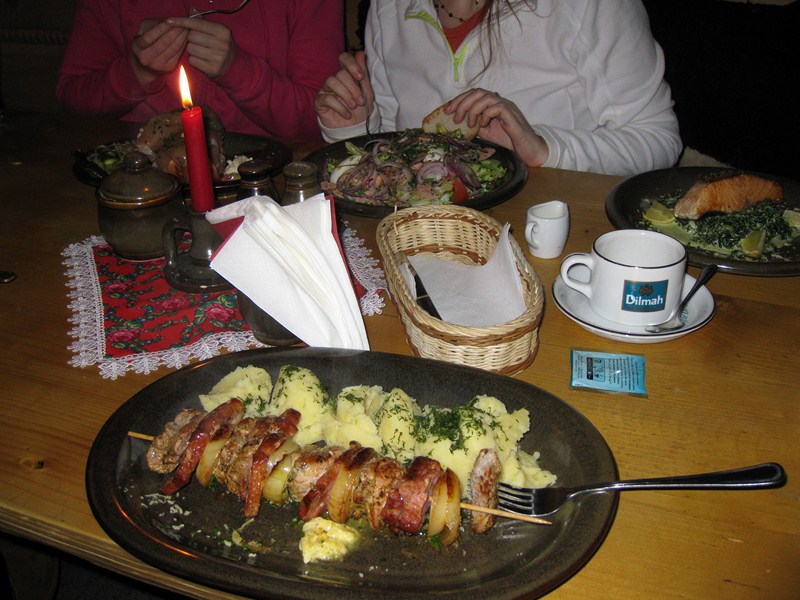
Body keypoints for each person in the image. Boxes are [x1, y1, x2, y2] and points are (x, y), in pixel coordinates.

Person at [315, 0, 682, 176]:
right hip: (421, 239)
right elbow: (393, 146)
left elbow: (658, 141)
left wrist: (546, 148)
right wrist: (354, 126)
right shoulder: (387, 7)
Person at [57, 0, 344, 140]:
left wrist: (238, 70)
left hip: (263, 186)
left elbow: (323, 122)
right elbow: (72, 101)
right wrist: (136, 73)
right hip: (138, 180)